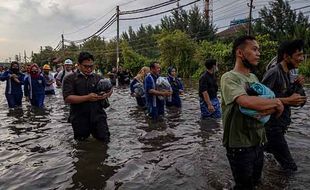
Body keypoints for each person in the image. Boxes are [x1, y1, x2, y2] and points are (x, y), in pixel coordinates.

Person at [220, 35, 284, 189]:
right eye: (254, 49)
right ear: (240, 53)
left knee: (255, 182)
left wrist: (273, 105)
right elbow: (246, 102)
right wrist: (276, 103)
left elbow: (263, 105)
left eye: (259, 50)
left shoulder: (254, 77)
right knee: (244, 186)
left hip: (258, 141)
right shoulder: (229, 77)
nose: (259, 53)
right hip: (239, 145)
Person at [261, 39, 307, 171]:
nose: (302, 58)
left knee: (264, 152)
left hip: (280, 126)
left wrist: (297, 86)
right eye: (298, 55)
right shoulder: (274, 72)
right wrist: (288, 100)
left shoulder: (288, 74)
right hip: (272, 128)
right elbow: (260, 99)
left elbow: (300, 101)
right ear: (286, 56)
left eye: (302, 55)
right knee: (290, 168)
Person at [62, 52, 112, 141]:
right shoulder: (70, 79)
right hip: (79, 117)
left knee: (105, 141)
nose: (89, 69)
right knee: (81, 145)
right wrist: (87, 97)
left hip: (98, 115)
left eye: (91, 66)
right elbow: (67, 98)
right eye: (86, 66)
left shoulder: (98, 77)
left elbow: (110, 89)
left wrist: (106, 95)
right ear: (79, 65)